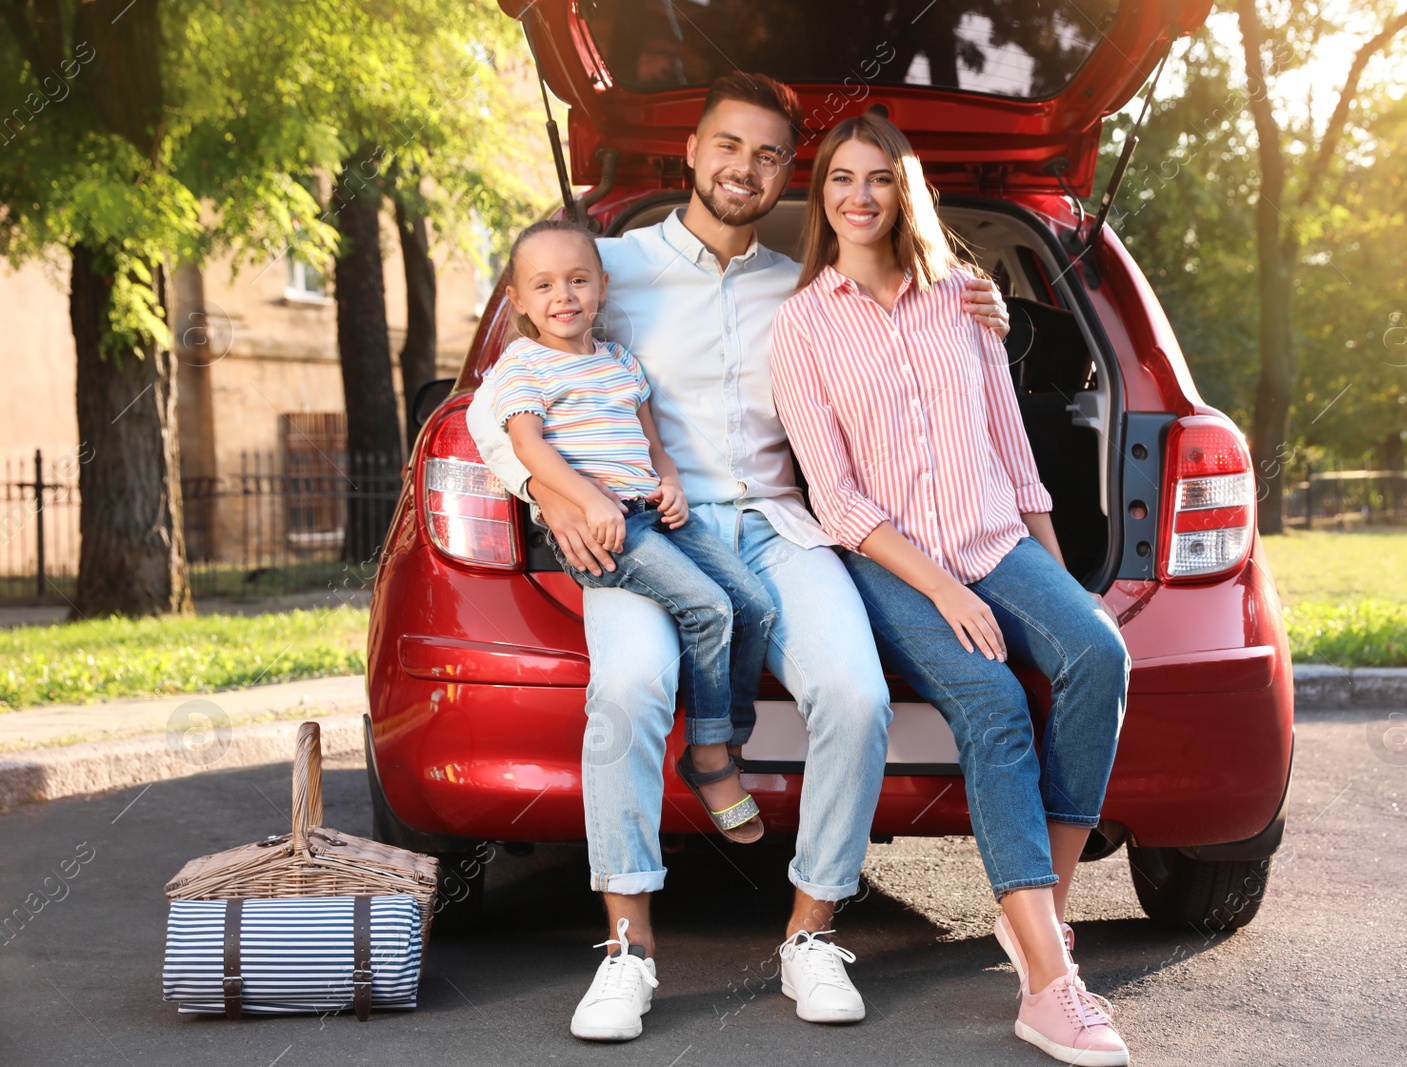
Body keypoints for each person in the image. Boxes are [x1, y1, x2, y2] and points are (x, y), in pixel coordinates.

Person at [466, 72, 1013, 1043]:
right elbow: (496, 400)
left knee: (853, 695)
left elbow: (903, 308)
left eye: (767, 155)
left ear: (783, 174)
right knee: (630, 689)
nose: (744, 168)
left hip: (776, 521)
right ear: (691, 150)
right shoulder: (606, 268)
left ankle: (811, 931)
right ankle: (628, 948)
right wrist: (558, 489)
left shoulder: (802, 282)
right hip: (640, 528)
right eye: (729, 145)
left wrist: (979, 304)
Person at [769, 112, 1132, 1066]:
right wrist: (948, 593)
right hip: (889, 562)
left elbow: (1014, 454)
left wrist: (1053, 582)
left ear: (904, 191)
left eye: (878, 178)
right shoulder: (802, 325)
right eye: (841, 179)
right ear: (823, 198)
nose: (859, 196)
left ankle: (1034, 917)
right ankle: (1051, 986)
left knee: (1099, 652)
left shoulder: (963, 299)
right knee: (996, 702)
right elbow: (838, 499)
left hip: (996, 538)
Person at [482, 217, 773, 849]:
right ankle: (711, 758)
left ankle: (727, 735)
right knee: (709, 607)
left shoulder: (619, 362)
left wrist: (668, 480)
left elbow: (652, 443)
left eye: (578, 280)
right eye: (545, 285)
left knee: (754, 605)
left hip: (654, 511)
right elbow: (528, 447)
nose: (564, 296)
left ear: (603, 287)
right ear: (518, 299)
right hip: (600, 528)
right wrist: (588, 500)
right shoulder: (523, 365)